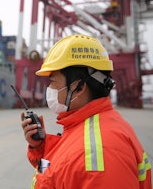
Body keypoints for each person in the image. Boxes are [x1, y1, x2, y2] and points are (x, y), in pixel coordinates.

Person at [20, 34, 151, 189]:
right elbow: (62, 172)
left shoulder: (98, 156)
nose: (50, 90)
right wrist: (40, 147)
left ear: (79, 88)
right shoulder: (92, 127)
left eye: (53, 83)